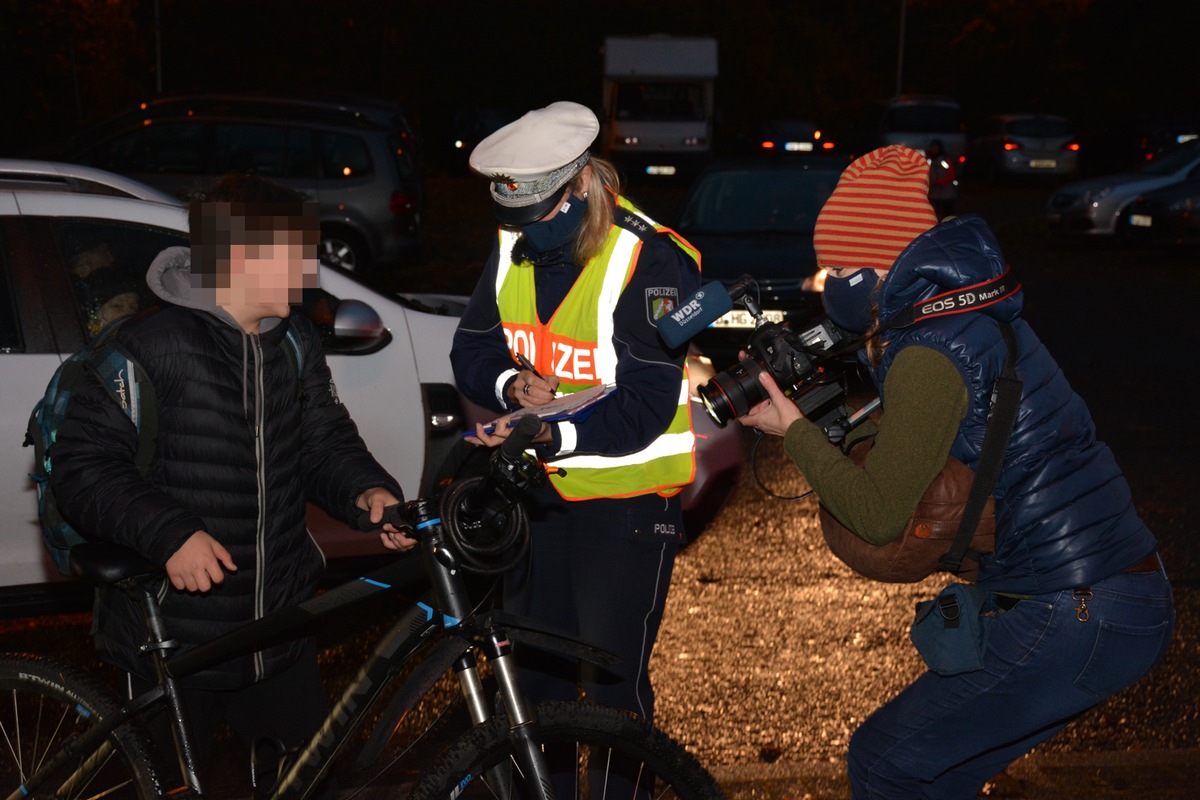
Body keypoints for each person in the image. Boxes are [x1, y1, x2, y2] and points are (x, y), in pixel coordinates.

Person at [737, 145, 1174, 798]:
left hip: (1076, 607)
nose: (827, 284)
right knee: (935, 775)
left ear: (874, 262)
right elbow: (930, 448)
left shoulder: (928, 353)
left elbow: (881, 514)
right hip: (1108, 595)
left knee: (885, 760)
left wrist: (792, 433)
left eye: (836, 267)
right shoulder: (957, 315)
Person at [50, 173, 415, 796]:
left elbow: (324, 441)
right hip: (173, 630)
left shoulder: (295, 342)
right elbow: (81, 470)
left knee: (308, 781)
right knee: (159, 785)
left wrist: (367, 495)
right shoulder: (148, 346)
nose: (309, 271)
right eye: (297, 253)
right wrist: (170, 535)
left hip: (279, 627)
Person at [449, 101, 702, 727]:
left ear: (583, 181)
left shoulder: (650, 258)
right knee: (536, 690)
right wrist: (512, 385)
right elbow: (471, 347)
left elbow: (645, 401)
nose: (529, 233)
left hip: (626, 509)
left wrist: (553, 431)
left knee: (613, 697)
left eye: (543, 215)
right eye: (519, 218)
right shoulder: (515, 240)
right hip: (538, 502)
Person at [926, 138, 958, 220]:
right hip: (934, 194)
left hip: (947, 193)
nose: (933, 149)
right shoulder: (929, 160)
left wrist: (940, 181)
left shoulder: (945, 160)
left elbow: (951, 175)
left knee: (948, 216)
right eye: (932, 147)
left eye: (935, 147)